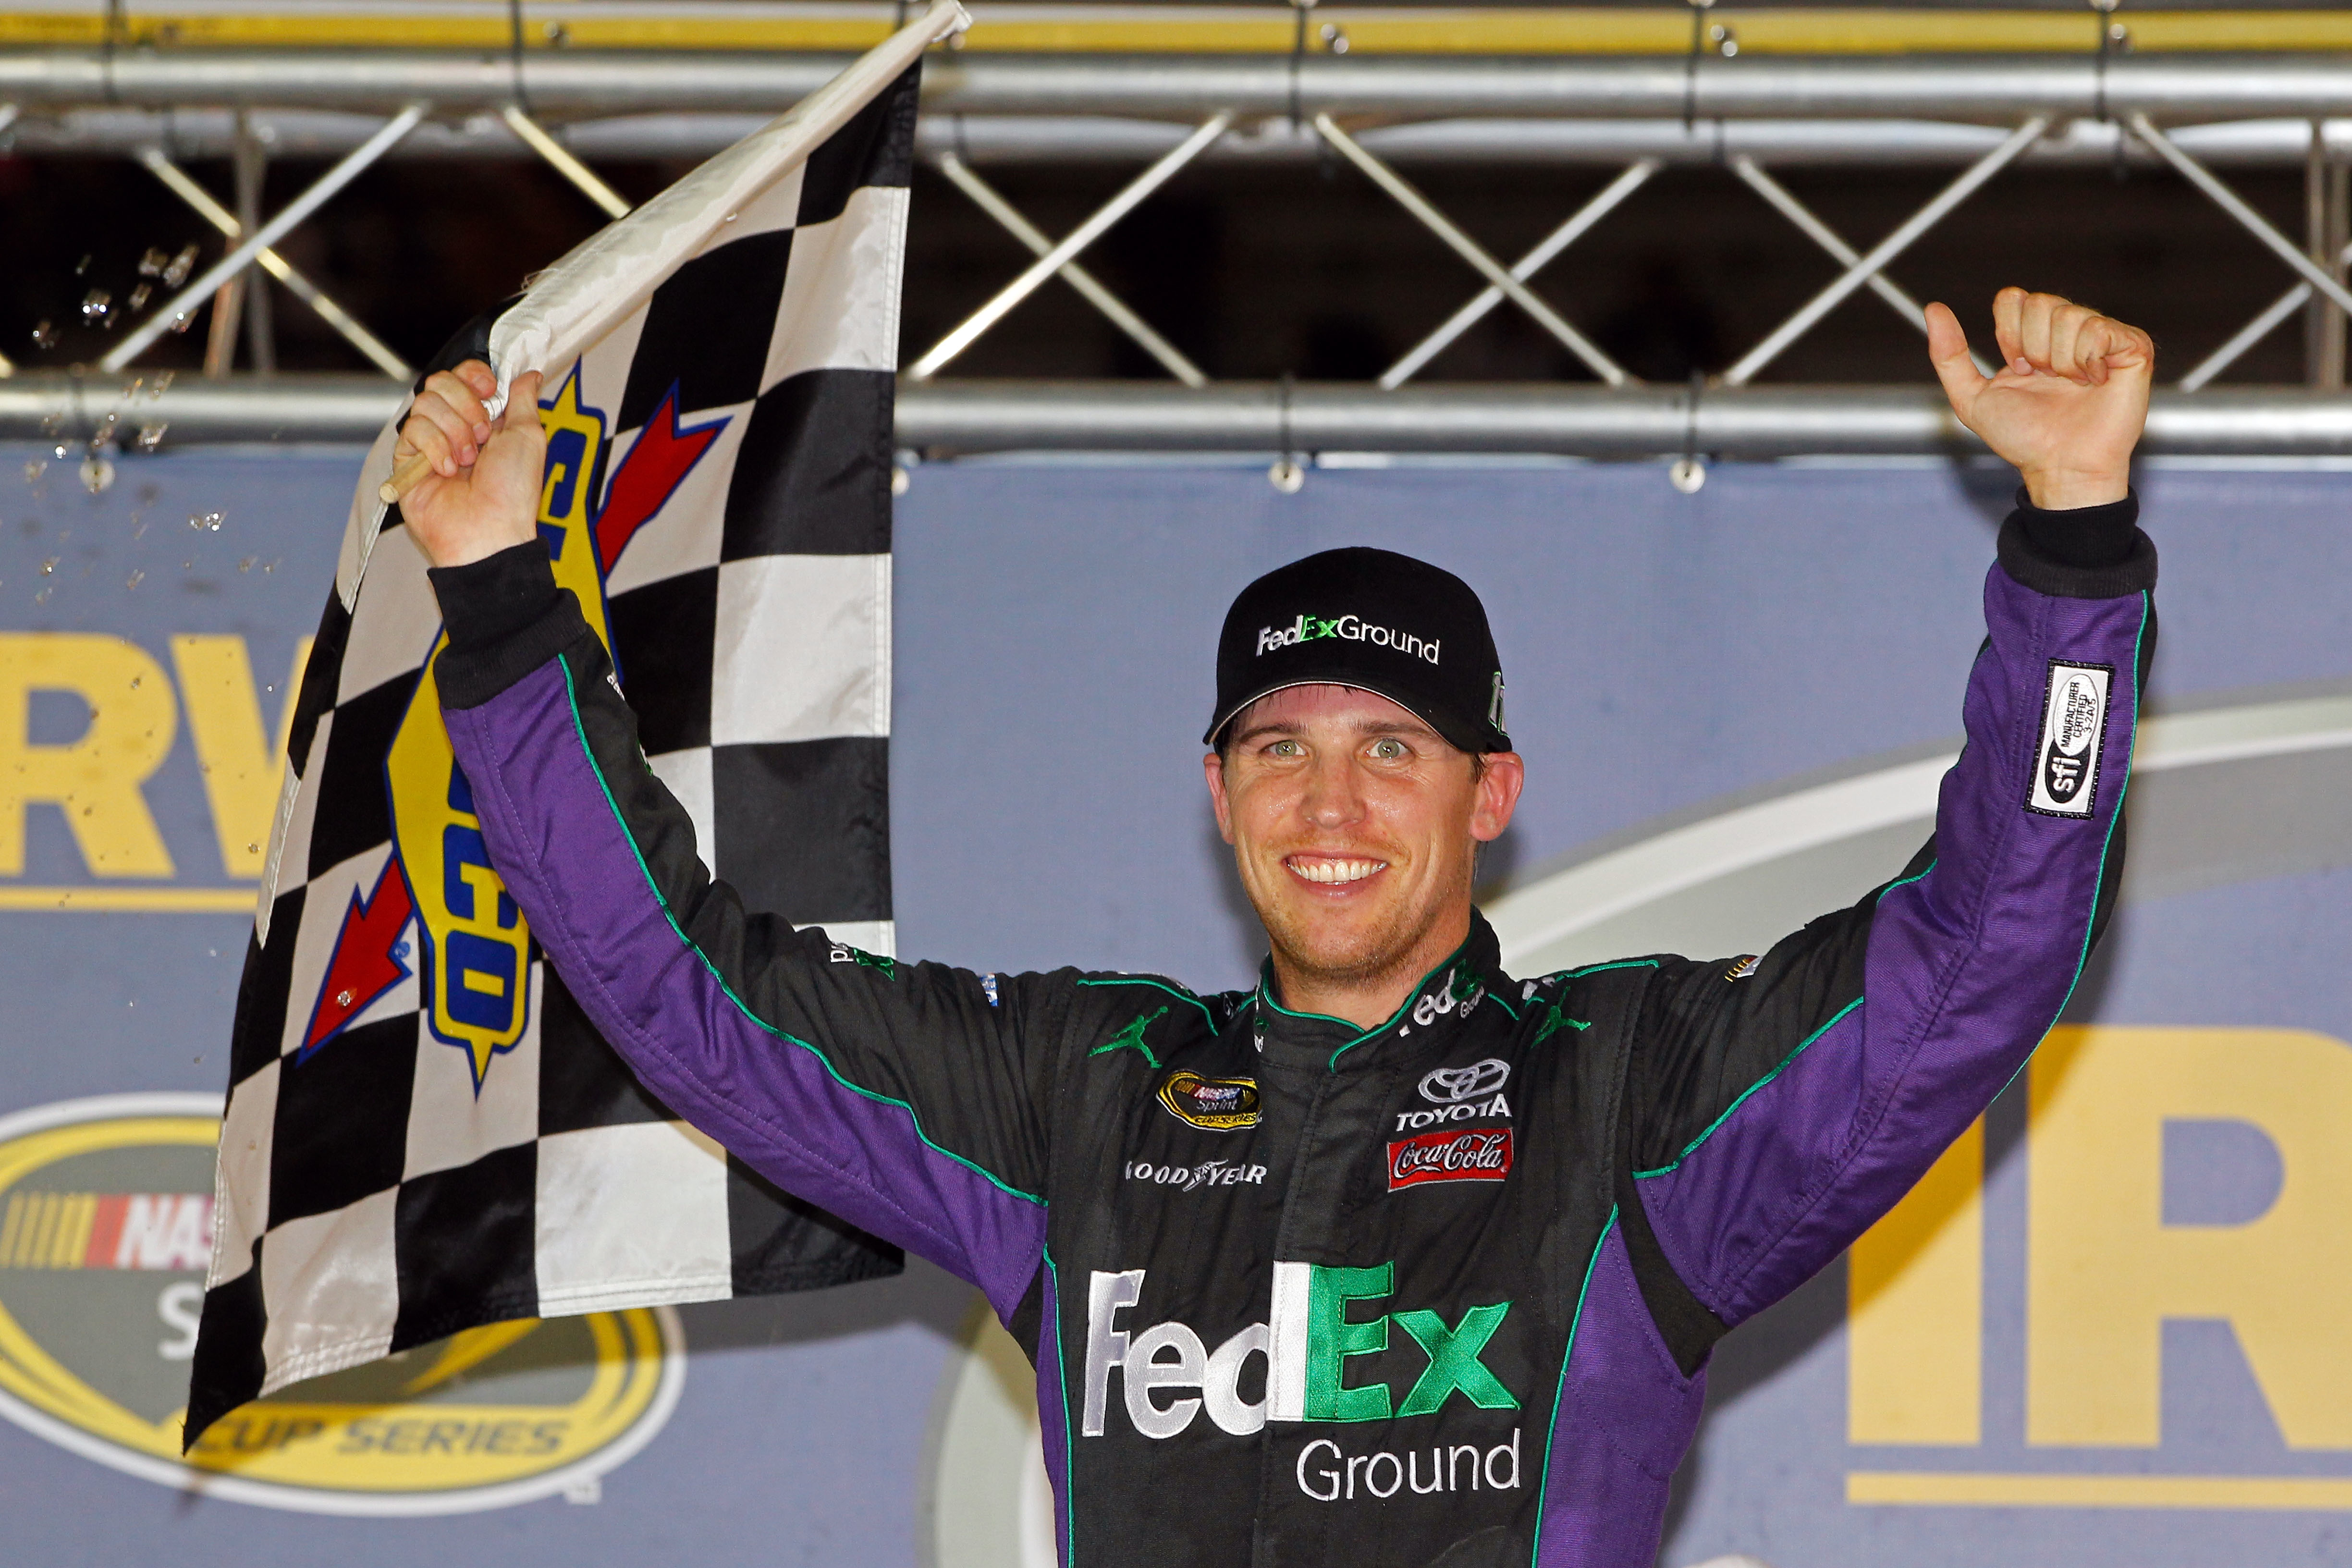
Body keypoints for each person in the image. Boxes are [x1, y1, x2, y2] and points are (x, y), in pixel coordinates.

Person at [393, 288, 2156, 1568]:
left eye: (1394, 751)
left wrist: (2073, 549)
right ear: (1218, 791)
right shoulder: (1080, 1092)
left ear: (1492, 790)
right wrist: (491, 590)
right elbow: (690, 995)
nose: (1332, 807)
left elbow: (1978, 957)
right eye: (1281, 750)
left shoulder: (1625, 1089)